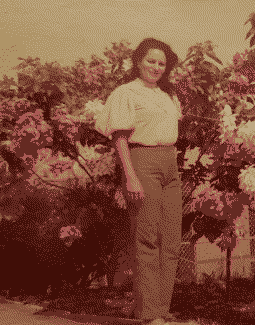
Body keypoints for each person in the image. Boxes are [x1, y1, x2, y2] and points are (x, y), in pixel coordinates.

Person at [95, 38, 183, 325]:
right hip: (142, 162)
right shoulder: (126, 93)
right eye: (151, 61)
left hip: (170, 165)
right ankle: (149, 314)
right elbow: (119, 137)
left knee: (170, 240)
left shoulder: (168, 94)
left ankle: (160, 307)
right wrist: (131, 176)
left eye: (161, 63)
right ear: (138, 61)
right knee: (146, 238)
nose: (156, 67)